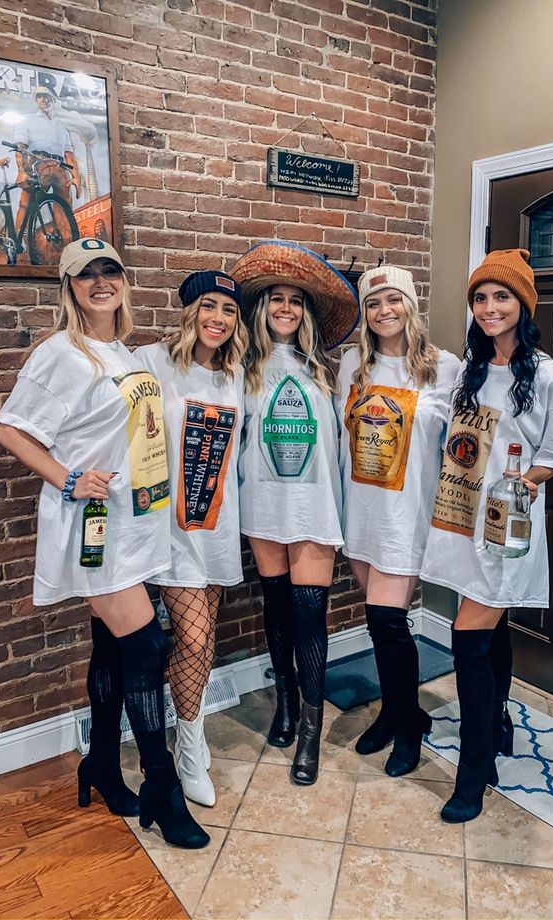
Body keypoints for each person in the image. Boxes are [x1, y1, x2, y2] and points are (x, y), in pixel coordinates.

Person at [0, 237, 209, 849]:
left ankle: (103, 768)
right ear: (69, 288)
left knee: (114, 649)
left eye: (108, 271)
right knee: (145, 650)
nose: (99, 282)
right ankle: (163, 792)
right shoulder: (62, 354)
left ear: (123, 281)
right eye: (84, 275)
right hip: (96, 529)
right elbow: (10, 428)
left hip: (132, 523)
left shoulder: (121, 351)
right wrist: (67, 478)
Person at [420, 248, 553, 823]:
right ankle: (500, 720)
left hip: (505, 523)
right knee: (493, 627)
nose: (490, 307)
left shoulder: (550, 378)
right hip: (462, 517)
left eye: (501, 296)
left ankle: (473, 768)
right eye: (481, 298)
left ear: (523, 305)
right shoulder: (471, 371)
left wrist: (520, 481)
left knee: (468, 637)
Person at [230, 240, 359, 785]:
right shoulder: (241, 368)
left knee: (310, 616)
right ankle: (285, 702)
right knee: (277, 609)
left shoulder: (327, 371)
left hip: (312, 506)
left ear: (307, 313)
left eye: (296, 301)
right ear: (262, 309)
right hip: (263, 503)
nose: (286, 308)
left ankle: (309, 729)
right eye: (276, 299)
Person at [337, 266, 461, 776]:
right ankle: (395, 710)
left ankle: (409, 726)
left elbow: (460, 450)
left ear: (411, 305)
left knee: (388, 622)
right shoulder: (352, 366)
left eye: (393, 299)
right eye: (373, 303)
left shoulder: (444, 368)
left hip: (408, 516)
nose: (384, 310)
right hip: (360, 513)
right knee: (381, 622)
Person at [136, 271, 248, 808]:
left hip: (218, 528)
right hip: (171, 530)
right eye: (209, 306)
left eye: (229, 310)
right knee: (195, 640)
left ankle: (189, 735)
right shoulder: (153, 363)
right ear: (189, 311)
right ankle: (188, 746)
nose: (218, 319)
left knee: (200, 646)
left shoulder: (234, 375)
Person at [13, 87, 79, 233]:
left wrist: (76, 177)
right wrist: (22, 171)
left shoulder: (61, 127)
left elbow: (69, 154)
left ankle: (66, 238)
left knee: (65, 206)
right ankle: (19, 238)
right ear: (36, 100)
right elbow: (20, 147)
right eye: (39, 97)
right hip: (38, 163)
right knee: (28, 202)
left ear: (52, 99)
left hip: (59, 166)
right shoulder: (28, 121)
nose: (43, 99)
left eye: (46, 96)